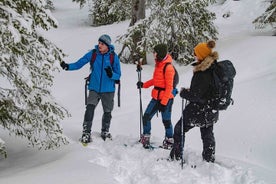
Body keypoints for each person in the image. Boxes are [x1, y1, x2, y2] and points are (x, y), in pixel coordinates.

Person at [60, 34, 121, 143]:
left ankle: (105, 131)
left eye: (102, 44)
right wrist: (68, 67)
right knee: (90, 108)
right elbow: (80, 63)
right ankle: (86, 132)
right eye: (99, 43)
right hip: (94, 87)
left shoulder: (113, 57)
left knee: (107, 111)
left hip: (108, 89)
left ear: (107, 45)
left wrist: (111, 74)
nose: (99, 45)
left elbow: (118, 74)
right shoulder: (93, 54)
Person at [170, 40, 219, 162]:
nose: (194, 55)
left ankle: (176, 156)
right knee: (207, 133)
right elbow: (205, 90)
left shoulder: (202, 73)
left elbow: (195, 95)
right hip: (211, 110)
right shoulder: (214, 68)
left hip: (198, 111)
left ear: (201, 55)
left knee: (179, 128)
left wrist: (184, 93)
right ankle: (209, 158)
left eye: (196, 53)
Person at [136, 44, 177, 149]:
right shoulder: (158, 65)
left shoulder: (168, 68)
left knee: (166, 120)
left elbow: (169, 87)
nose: (153, 54)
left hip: (166, 98)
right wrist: (143, 85)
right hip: (156, 97)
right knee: (146, 117)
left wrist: (164, 103)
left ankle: (169, 141)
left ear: (160, 53)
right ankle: (146, 137)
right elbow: (156, 81)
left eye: (155, 52)